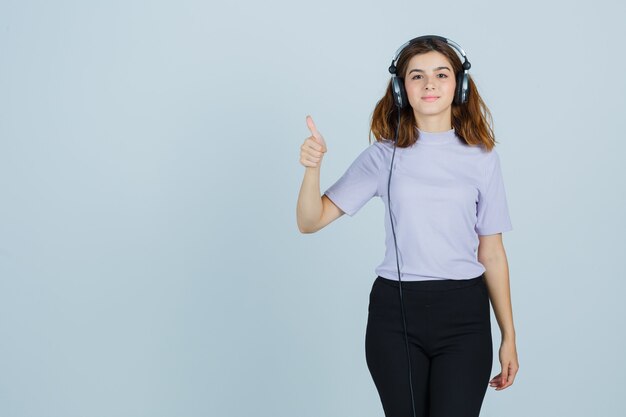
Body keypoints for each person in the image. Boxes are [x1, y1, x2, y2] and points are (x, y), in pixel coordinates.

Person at [296, 36, 518, 417]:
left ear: (460, 85)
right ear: (401, 89)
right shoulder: (383, 156)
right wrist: (312, 169)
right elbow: (310, 221)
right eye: (417, 75)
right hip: (395, 314)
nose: (429, 84)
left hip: (464, 314)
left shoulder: (483, 156)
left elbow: (492, 252)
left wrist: (508, 335)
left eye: (441, 74)